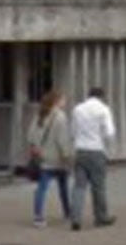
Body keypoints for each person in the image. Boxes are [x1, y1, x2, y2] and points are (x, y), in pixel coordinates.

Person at [68, 85, 117, 229]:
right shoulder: (104, 109)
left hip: (80, 150)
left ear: (88, 95)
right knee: (98, 187)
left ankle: (75, 218)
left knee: (79, 186)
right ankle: (101, 217)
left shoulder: (77, 109)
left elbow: (73, 131)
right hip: (96, 150)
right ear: (101, 96)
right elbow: (109, 133)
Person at [24, 88, 73, 226]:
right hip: (57, 158)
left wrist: (35, 148)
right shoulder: (60, 117)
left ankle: (38, 216)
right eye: (63, 99)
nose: (65, 102)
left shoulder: (40, 114)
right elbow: (62, 139)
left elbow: (30, 136)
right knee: (63, 186)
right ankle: (67, 212)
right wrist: (67, 156)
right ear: (57, 101)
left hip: (43, 157)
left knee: (41, 188)